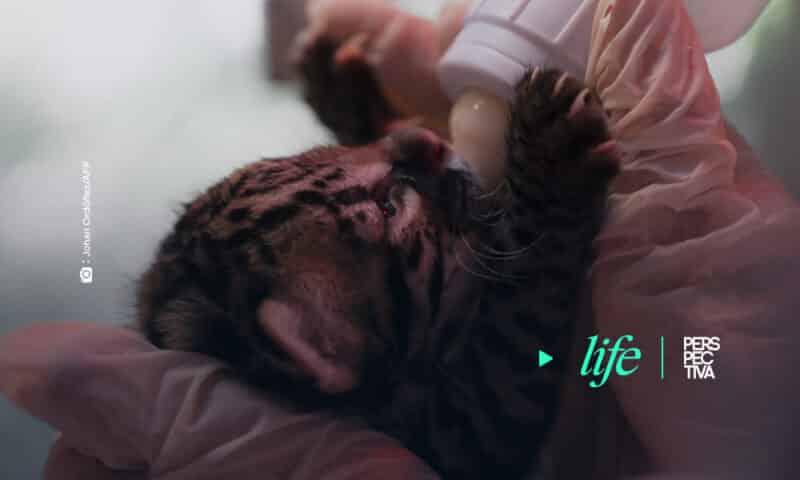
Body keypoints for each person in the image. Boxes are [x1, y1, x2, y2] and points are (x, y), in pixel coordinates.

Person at [2, 1, 799, 478]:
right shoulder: (418, 408)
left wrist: (371, 138)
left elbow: (403, 269)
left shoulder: (352, 315)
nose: (418, 145)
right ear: (326, 347)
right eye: (384, 205)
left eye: (328, 164)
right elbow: (498, 400)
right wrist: (548, 214)